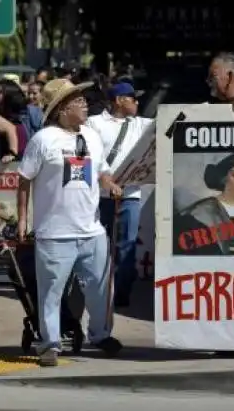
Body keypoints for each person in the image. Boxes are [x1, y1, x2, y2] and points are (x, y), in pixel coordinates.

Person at [16, 78, 124, 367]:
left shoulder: (91, 136)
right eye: (78, 100)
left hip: (92, 230)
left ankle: (101, 335)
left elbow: (102, 171)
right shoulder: (43, 140)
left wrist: (109, 184)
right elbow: (24, 180)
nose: (85, 104)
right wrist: (24, 219)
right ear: (62, 108)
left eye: (83, 99)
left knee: (101, 289)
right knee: (50, 293)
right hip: (54, 233)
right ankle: (50, 343)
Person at [87, 81, 154, 308]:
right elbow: (92, 156)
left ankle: (121, 295)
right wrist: (106, 182)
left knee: (128, 246)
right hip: (99, 196)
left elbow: (174, 121)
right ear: (119, 101)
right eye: (132, 98)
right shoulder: (94, 124)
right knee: (99, 246)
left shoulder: (140, 124)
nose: (137, 102)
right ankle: (98, 292)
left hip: (130, 195)